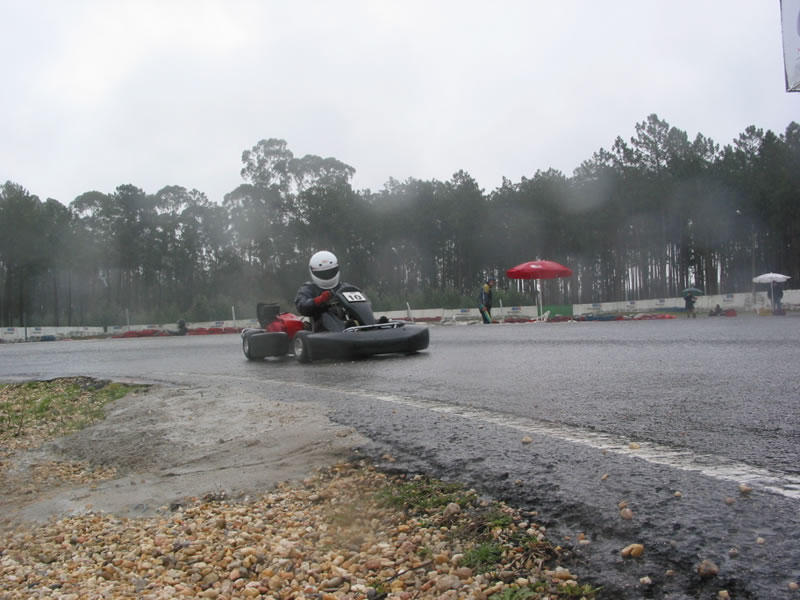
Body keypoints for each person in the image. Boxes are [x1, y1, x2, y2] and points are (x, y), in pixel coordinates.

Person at [295, 250, 344, 332]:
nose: (327, 275)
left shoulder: (345, 287)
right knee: (324, 315)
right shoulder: (309, 288)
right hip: (322, 330)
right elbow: (302, 305)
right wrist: (318, 300)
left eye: (330, 272)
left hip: (349, 327)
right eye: (323, 273)